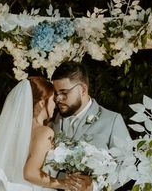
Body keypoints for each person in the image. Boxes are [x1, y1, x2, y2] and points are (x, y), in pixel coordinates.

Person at [0, 77, 84, 191]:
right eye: (53, 100)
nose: (55, 105)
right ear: (42, 103)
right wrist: (62, 183)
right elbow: (30, 173)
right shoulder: (44, 132)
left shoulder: (13, 132)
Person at [51, 61, 133, 191]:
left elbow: (128, 167)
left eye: (64, 92)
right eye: (55, 93)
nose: (58, 99)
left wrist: (94, 186)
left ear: (83, 89)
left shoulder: (111, 120)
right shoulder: (54, 119)